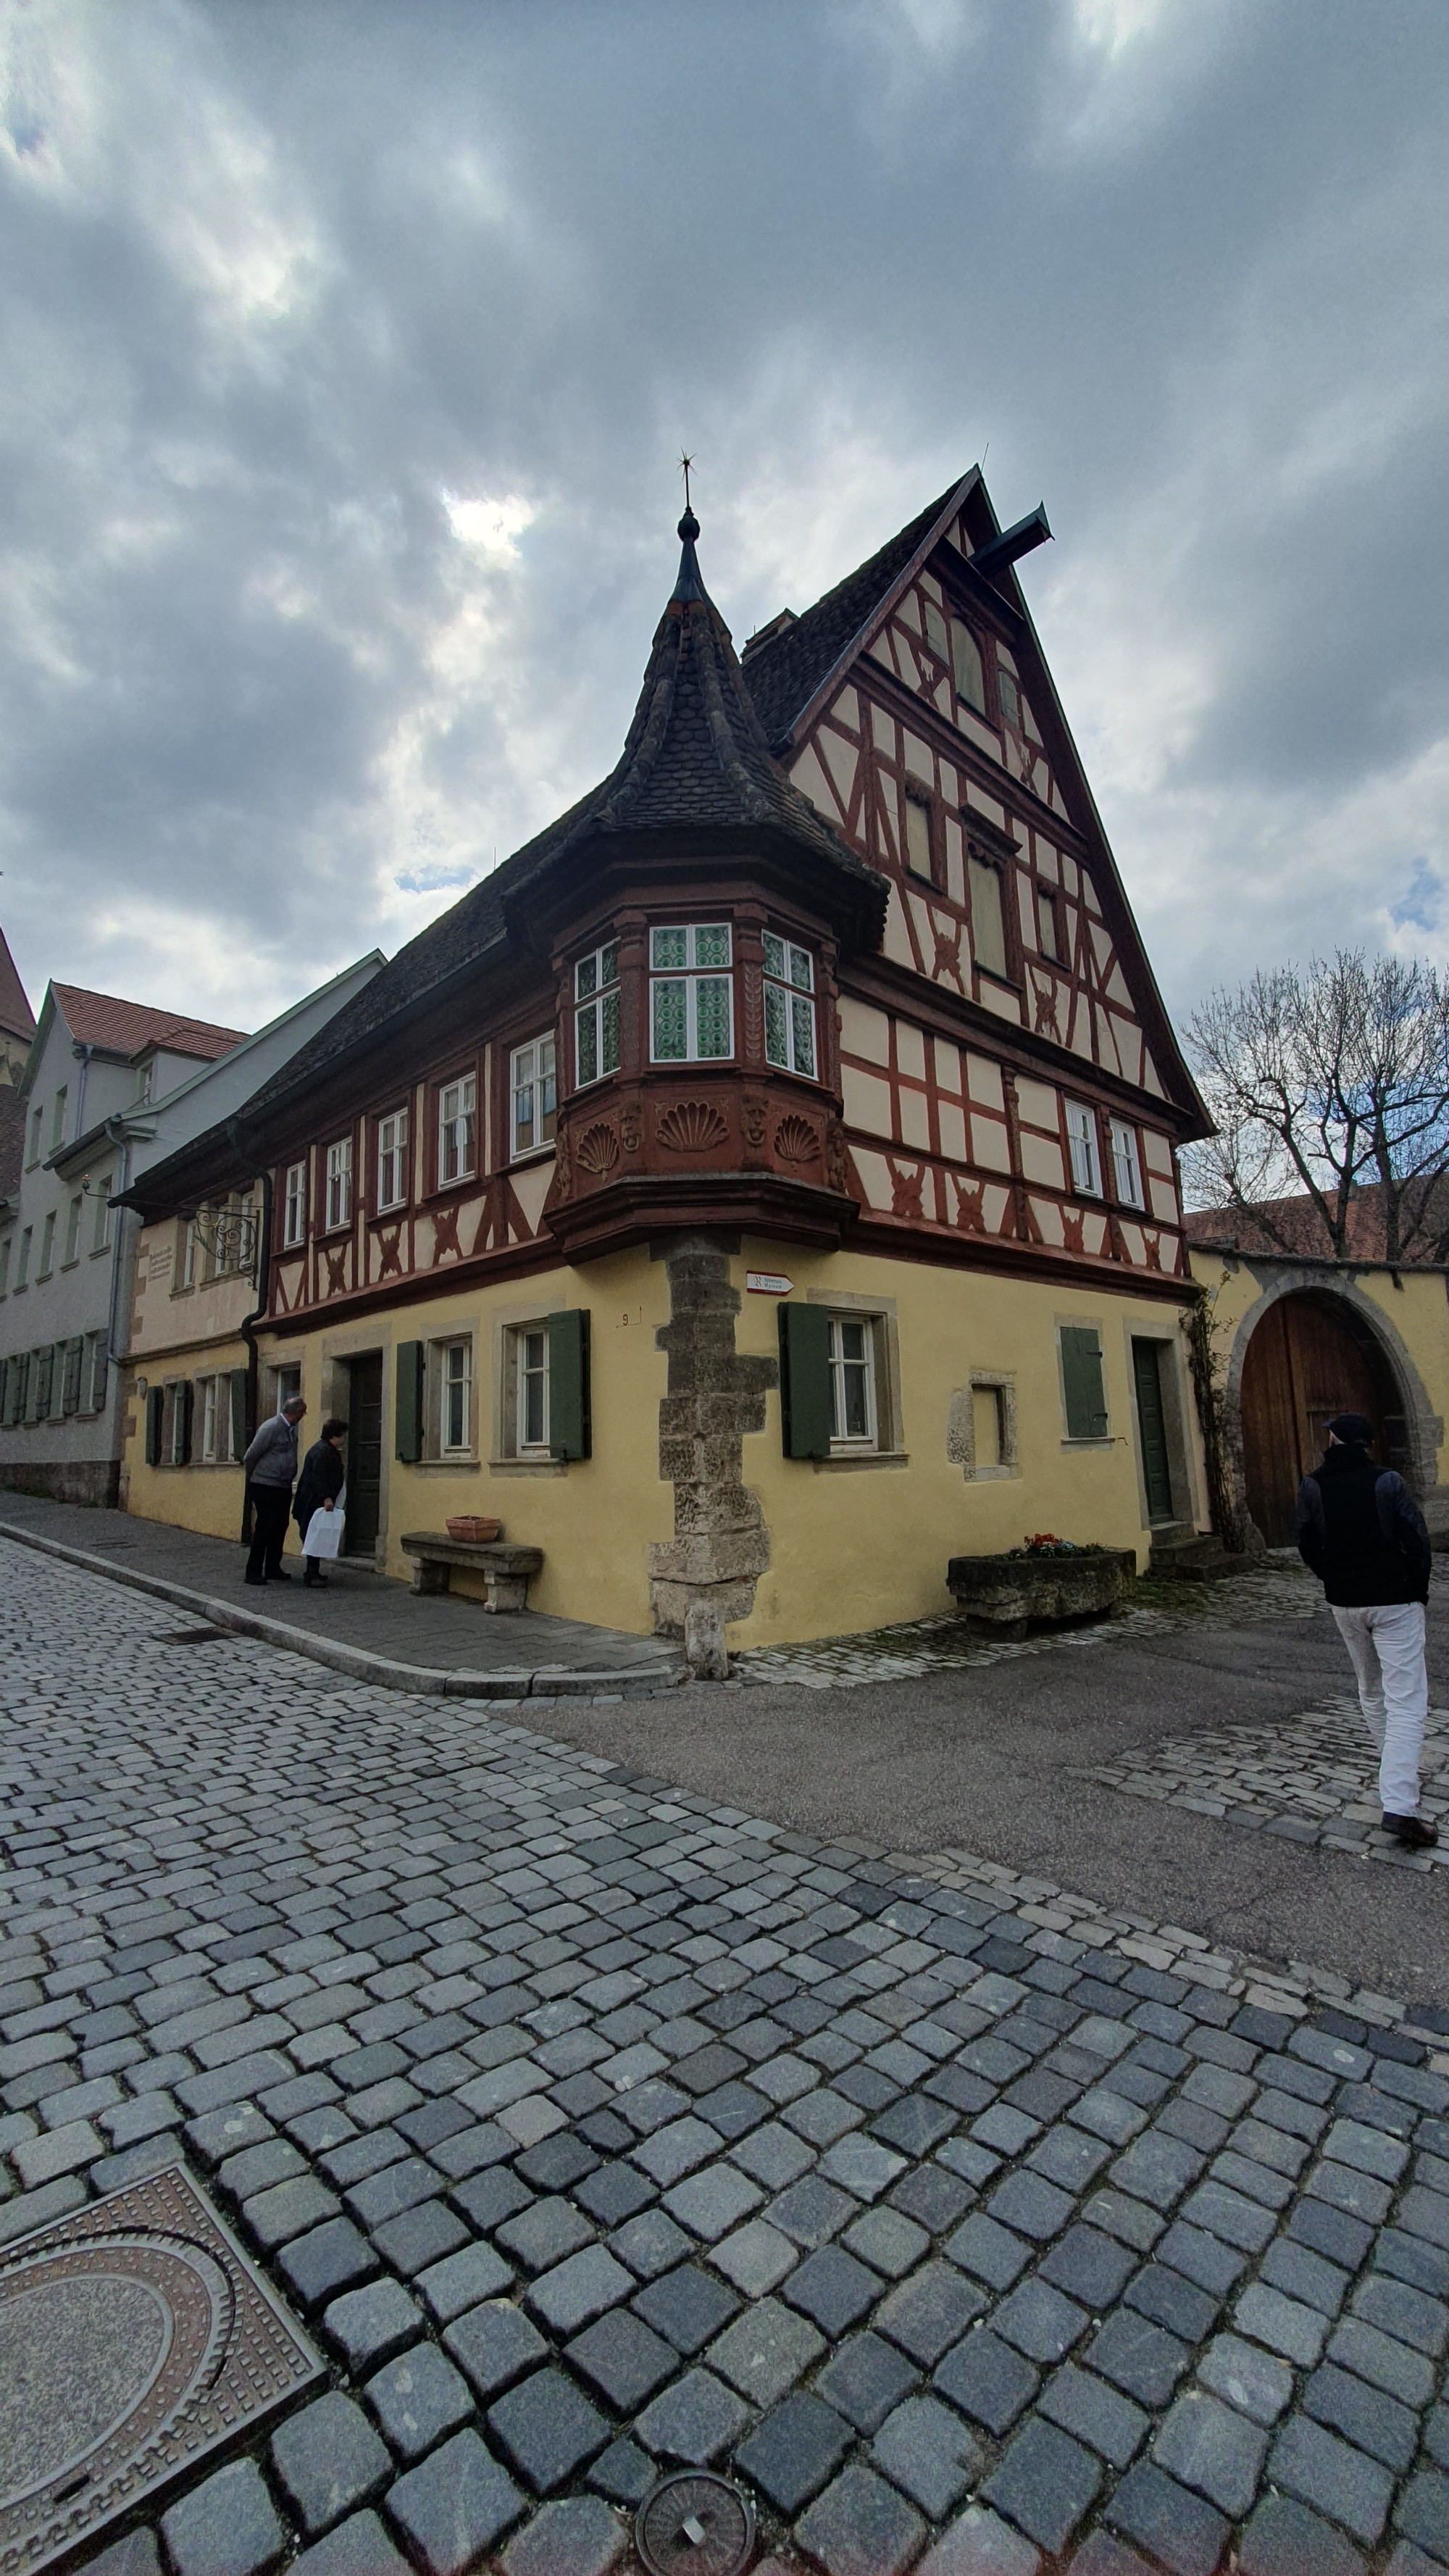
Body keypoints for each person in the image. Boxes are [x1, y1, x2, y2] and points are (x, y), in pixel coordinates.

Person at [1294, 1410, 1437, 1849]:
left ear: (1337, 1440)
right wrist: (1416, 1587)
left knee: (1371, 1690)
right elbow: (1417, 1538)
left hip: (1346, 1602)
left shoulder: (1314, 1484)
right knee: (1408, 1700)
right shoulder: (1387, 1481)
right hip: (1394, 1599)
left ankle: (1395, 1774)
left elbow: (1305, 1541)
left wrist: (1334, 1578)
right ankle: (1398, 1802)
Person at [241, 1393, 307, 1586]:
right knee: (264, 1527)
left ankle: (272, 1567)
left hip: (282, 1485)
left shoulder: (292, 1429)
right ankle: (253, 1571)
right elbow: (251, 1456)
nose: (304, 1416)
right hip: (265, 1485)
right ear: (295, 1413)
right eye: (303, 1413)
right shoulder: (271, 1427)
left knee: (280, 1526)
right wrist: (255, 1478)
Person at [293, 1418, 347, 1588]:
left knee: (315, 1536)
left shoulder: (322, 1449)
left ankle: (314, 1571)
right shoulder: (324, 1452)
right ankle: (311, 1574)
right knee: (314, 1537)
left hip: (310, 1501)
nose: (344, 1439)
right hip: (313, 1502)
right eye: (343, 1435)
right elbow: (319, 1477)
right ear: (335, 1436)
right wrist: (326, 1498)